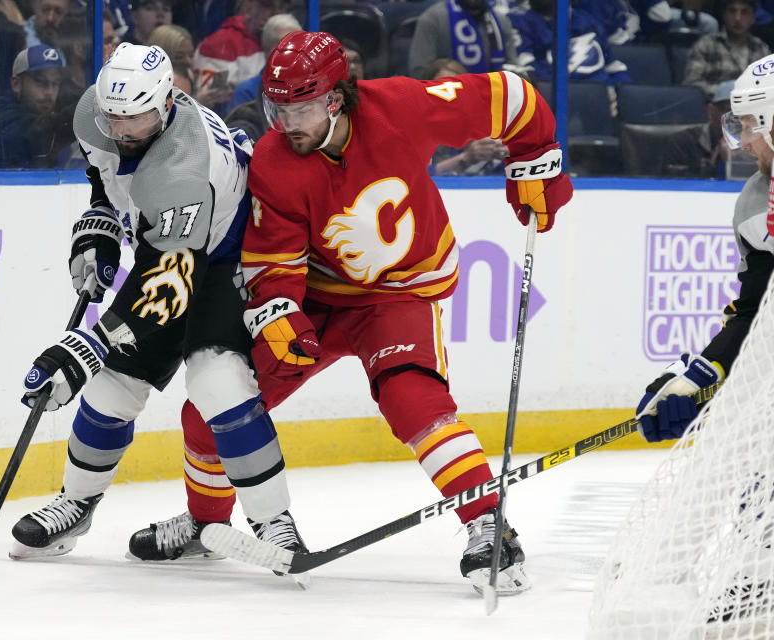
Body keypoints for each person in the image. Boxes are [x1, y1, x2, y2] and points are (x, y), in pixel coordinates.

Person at [164, 30, 573, 595]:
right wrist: (279, 315)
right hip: (321, 300)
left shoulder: (403, 107)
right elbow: (272, 260)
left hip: (399, 294)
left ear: (335, 99)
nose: (286, 124)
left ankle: (488, 524)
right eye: (276, 109)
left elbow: (513, 97)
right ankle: (205, 522)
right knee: (213, 405)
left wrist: (536, 160)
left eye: (300, 108)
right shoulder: (275, 160)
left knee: (412, 399)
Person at [10, 43, 308, 564]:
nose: (122, 130)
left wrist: (91, 343)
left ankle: (274, 524)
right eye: (114, 117)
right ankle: (76, 503)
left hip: (226, 258)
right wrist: (99, 224)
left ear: (167, 103)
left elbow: (168, 285)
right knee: (110, 389)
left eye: (138, 119)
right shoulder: (94, 113)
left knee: (218, 382)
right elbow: (105, 179)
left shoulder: (183, 166)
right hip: (171, 246)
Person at [635, 53, 774, 443]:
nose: (743, 144)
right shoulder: (755, 203)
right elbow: (756, 312)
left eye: (749, 126)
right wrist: (703, 373)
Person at [0, 43, 72, 168]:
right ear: (16, 84)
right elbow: (36, 133)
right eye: (41, 82)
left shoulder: (47, 117)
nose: (50, 92)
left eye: (56, 83)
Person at [194, 0, 286, 109]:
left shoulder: (284, 40)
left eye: (282, 7)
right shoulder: (218, 44)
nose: (275, 13)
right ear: (248, 6)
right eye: (267, 6)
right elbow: (209, 102)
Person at [407, 0, 521, 81]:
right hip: (445, 96)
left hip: (493, 96)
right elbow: (419, 72)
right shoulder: (432, 19)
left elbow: (512, 67)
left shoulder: (501, 21)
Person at [684, 0, 770, 101]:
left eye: (744, 12)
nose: (738, 18)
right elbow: (691, 83)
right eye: (732, 11)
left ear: (753, 18)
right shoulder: (706, 44)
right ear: (724, 15)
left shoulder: (761, 48)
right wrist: (725, 92)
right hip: (717, 108)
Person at [224, 13, 300, 114]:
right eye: (281, 43)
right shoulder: (246, 92)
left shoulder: (312, 88)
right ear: (266, 49)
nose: (289, 50)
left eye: (295, 43)